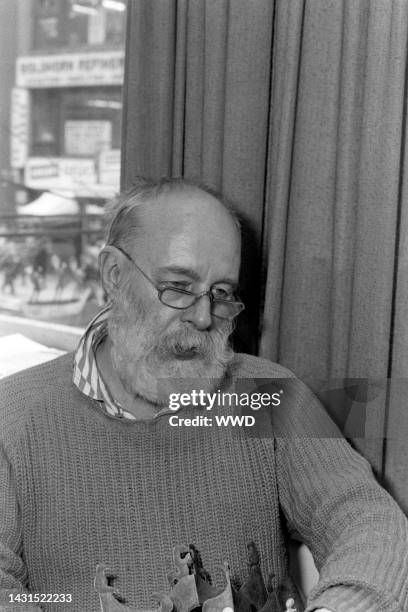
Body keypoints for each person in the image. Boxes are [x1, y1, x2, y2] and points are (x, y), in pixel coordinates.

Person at [0, 178, 407, 612]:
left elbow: (364, 517)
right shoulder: (12, 419)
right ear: (114, 276)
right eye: (177, 286)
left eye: (221, 293)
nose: (202, 316)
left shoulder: (268, 395)